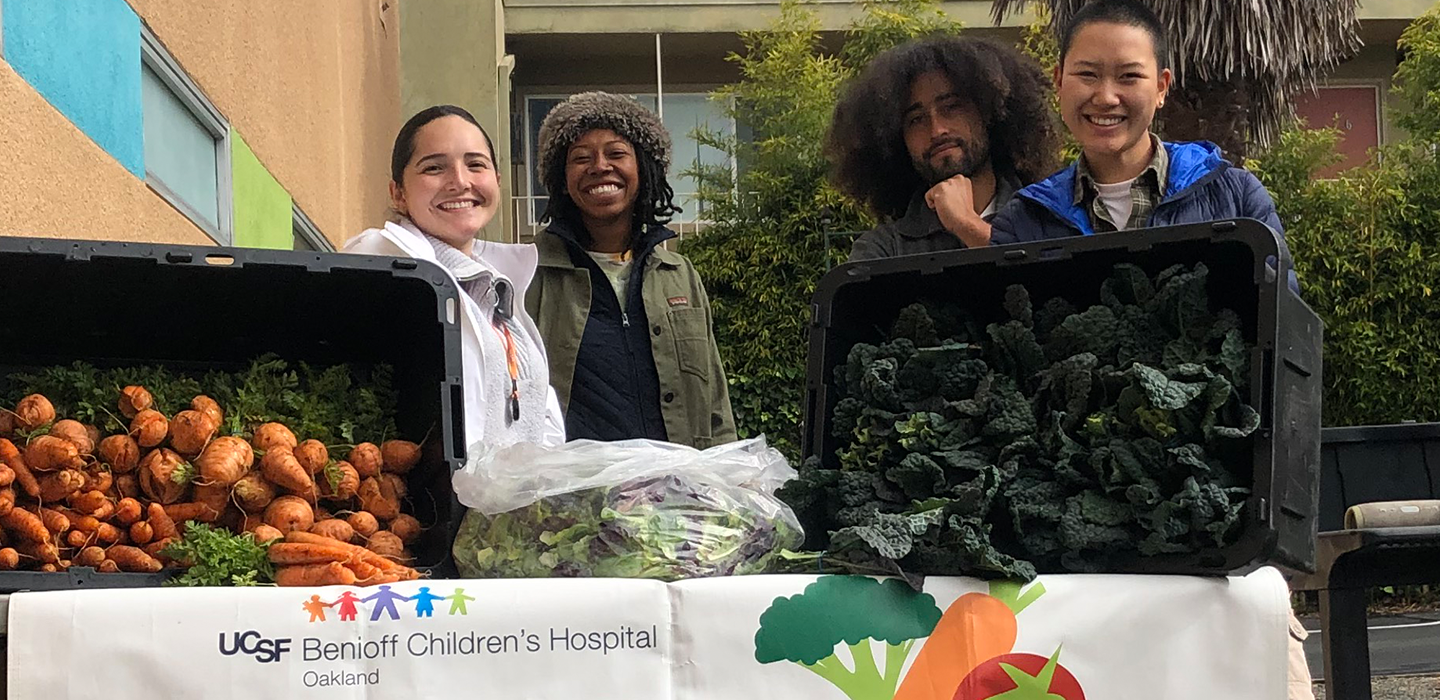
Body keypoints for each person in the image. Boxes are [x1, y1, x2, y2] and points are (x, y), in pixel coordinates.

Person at [990, 2, 1311, 697]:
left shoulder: (1231, 194)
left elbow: (1279, 339)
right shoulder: (1025, 217)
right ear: (1059, 82)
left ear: (1162, 85)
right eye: (1087, 75)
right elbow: (1015, 374)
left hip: (1215, 509)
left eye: (1128, 77)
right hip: (1071, 514)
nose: (1106, 97)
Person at [344, 105, 565, 451]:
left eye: (476, 164)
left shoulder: (499, 293)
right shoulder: (383, 263)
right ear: (398, 193)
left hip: (517, 504)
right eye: (434, 167)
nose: (460, 182)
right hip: (425, 502)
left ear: (497, 181)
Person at [526, 92, 736, 449]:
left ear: (643, 169)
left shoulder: (678, 274)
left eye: (616, 153)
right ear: (561, 179)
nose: (600, 166)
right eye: (581, 158)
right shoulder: (528, 274)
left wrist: (728, 478)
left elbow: (715, 401)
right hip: (575, 493)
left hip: (675, 489)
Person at [827, 35, 1061, 261]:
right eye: (916, 119)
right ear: (897, 141)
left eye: (951, 107)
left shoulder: (1051, 215)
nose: (937, 130)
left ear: (989, 111)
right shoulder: (885, 249)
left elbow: (1055, 290)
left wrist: (966, 224)